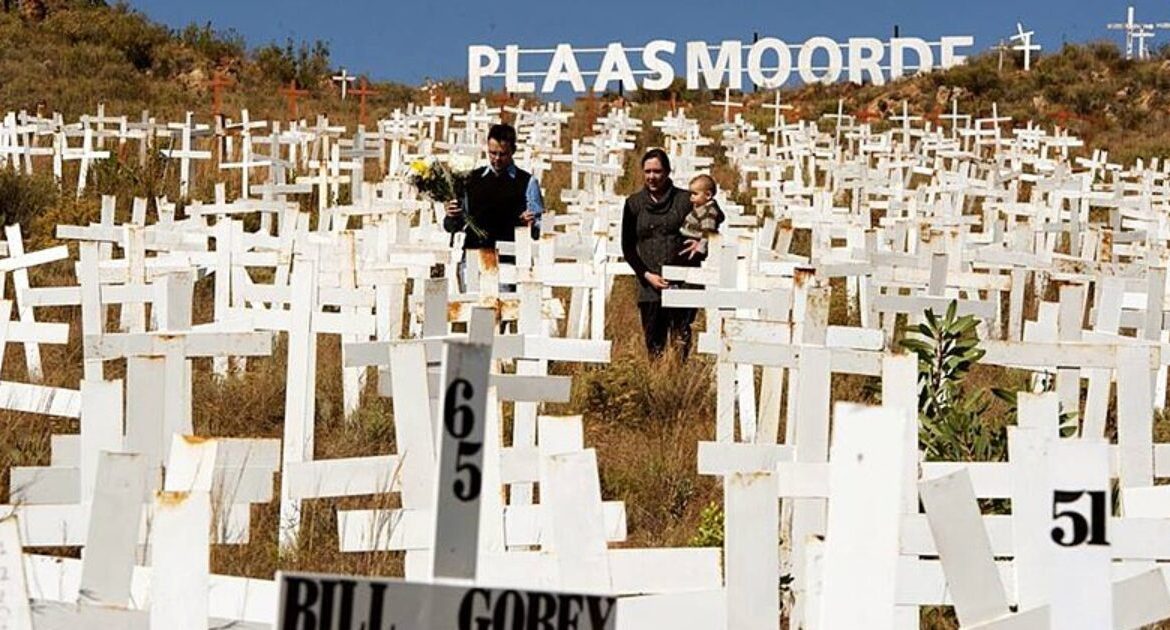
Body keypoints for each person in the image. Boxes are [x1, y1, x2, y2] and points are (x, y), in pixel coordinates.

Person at [621, 149, 723, 358]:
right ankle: (658, 377)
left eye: (657, 171)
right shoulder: (633, 204)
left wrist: (701, 245)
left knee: (680, 343)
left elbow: (714, 214)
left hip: (684, 281)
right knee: (654, 347)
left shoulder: (686, 199)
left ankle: (678, 376)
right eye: (647, 171)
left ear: (667, 171)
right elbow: (628, 247)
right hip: (650, 286)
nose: (652, 176)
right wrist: (647, 275)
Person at [444, 123, 544, 288]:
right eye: (492, 153)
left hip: (508, 260)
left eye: (502, 154)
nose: (497, 158)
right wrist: (451, 215)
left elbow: (539, 229)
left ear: (513, 151)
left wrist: (531, 223)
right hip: (473, 259)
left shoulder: (527, 182)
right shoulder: (471, 180)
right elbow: (453, 226)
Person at [676, 174, 722, 264]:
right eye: (691, 194)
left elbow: (708, 231)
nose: (691, 197)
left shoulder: (708, 211)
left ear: (708, 195)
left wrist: (700, 248)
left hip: (694, 241)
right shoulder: (701, 207)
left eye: (695, 194)